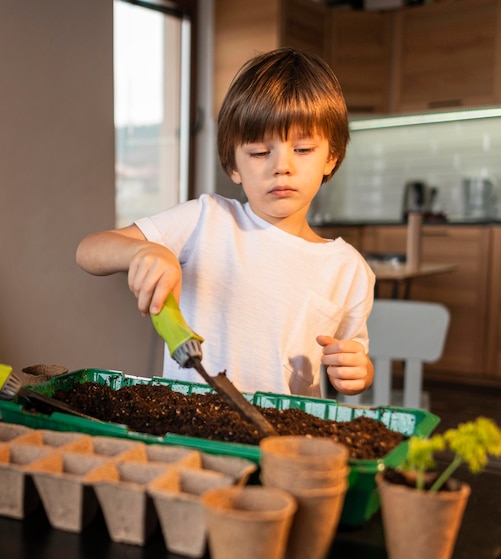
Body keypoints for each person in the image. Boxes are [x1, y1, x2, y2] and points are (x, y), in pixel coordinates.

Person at [76, 47, 375, 398]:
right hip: (190, 428)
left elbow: (354, 356)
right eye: (260, 153)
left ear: (332, 157)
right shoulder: (205, 221)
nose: (282, 166)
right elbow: (89, 250)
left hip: (284, 442)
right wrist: (144, 252)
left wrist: (360, 371)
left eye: (303, 149)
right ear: (233, 165)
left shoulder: (348, 269)